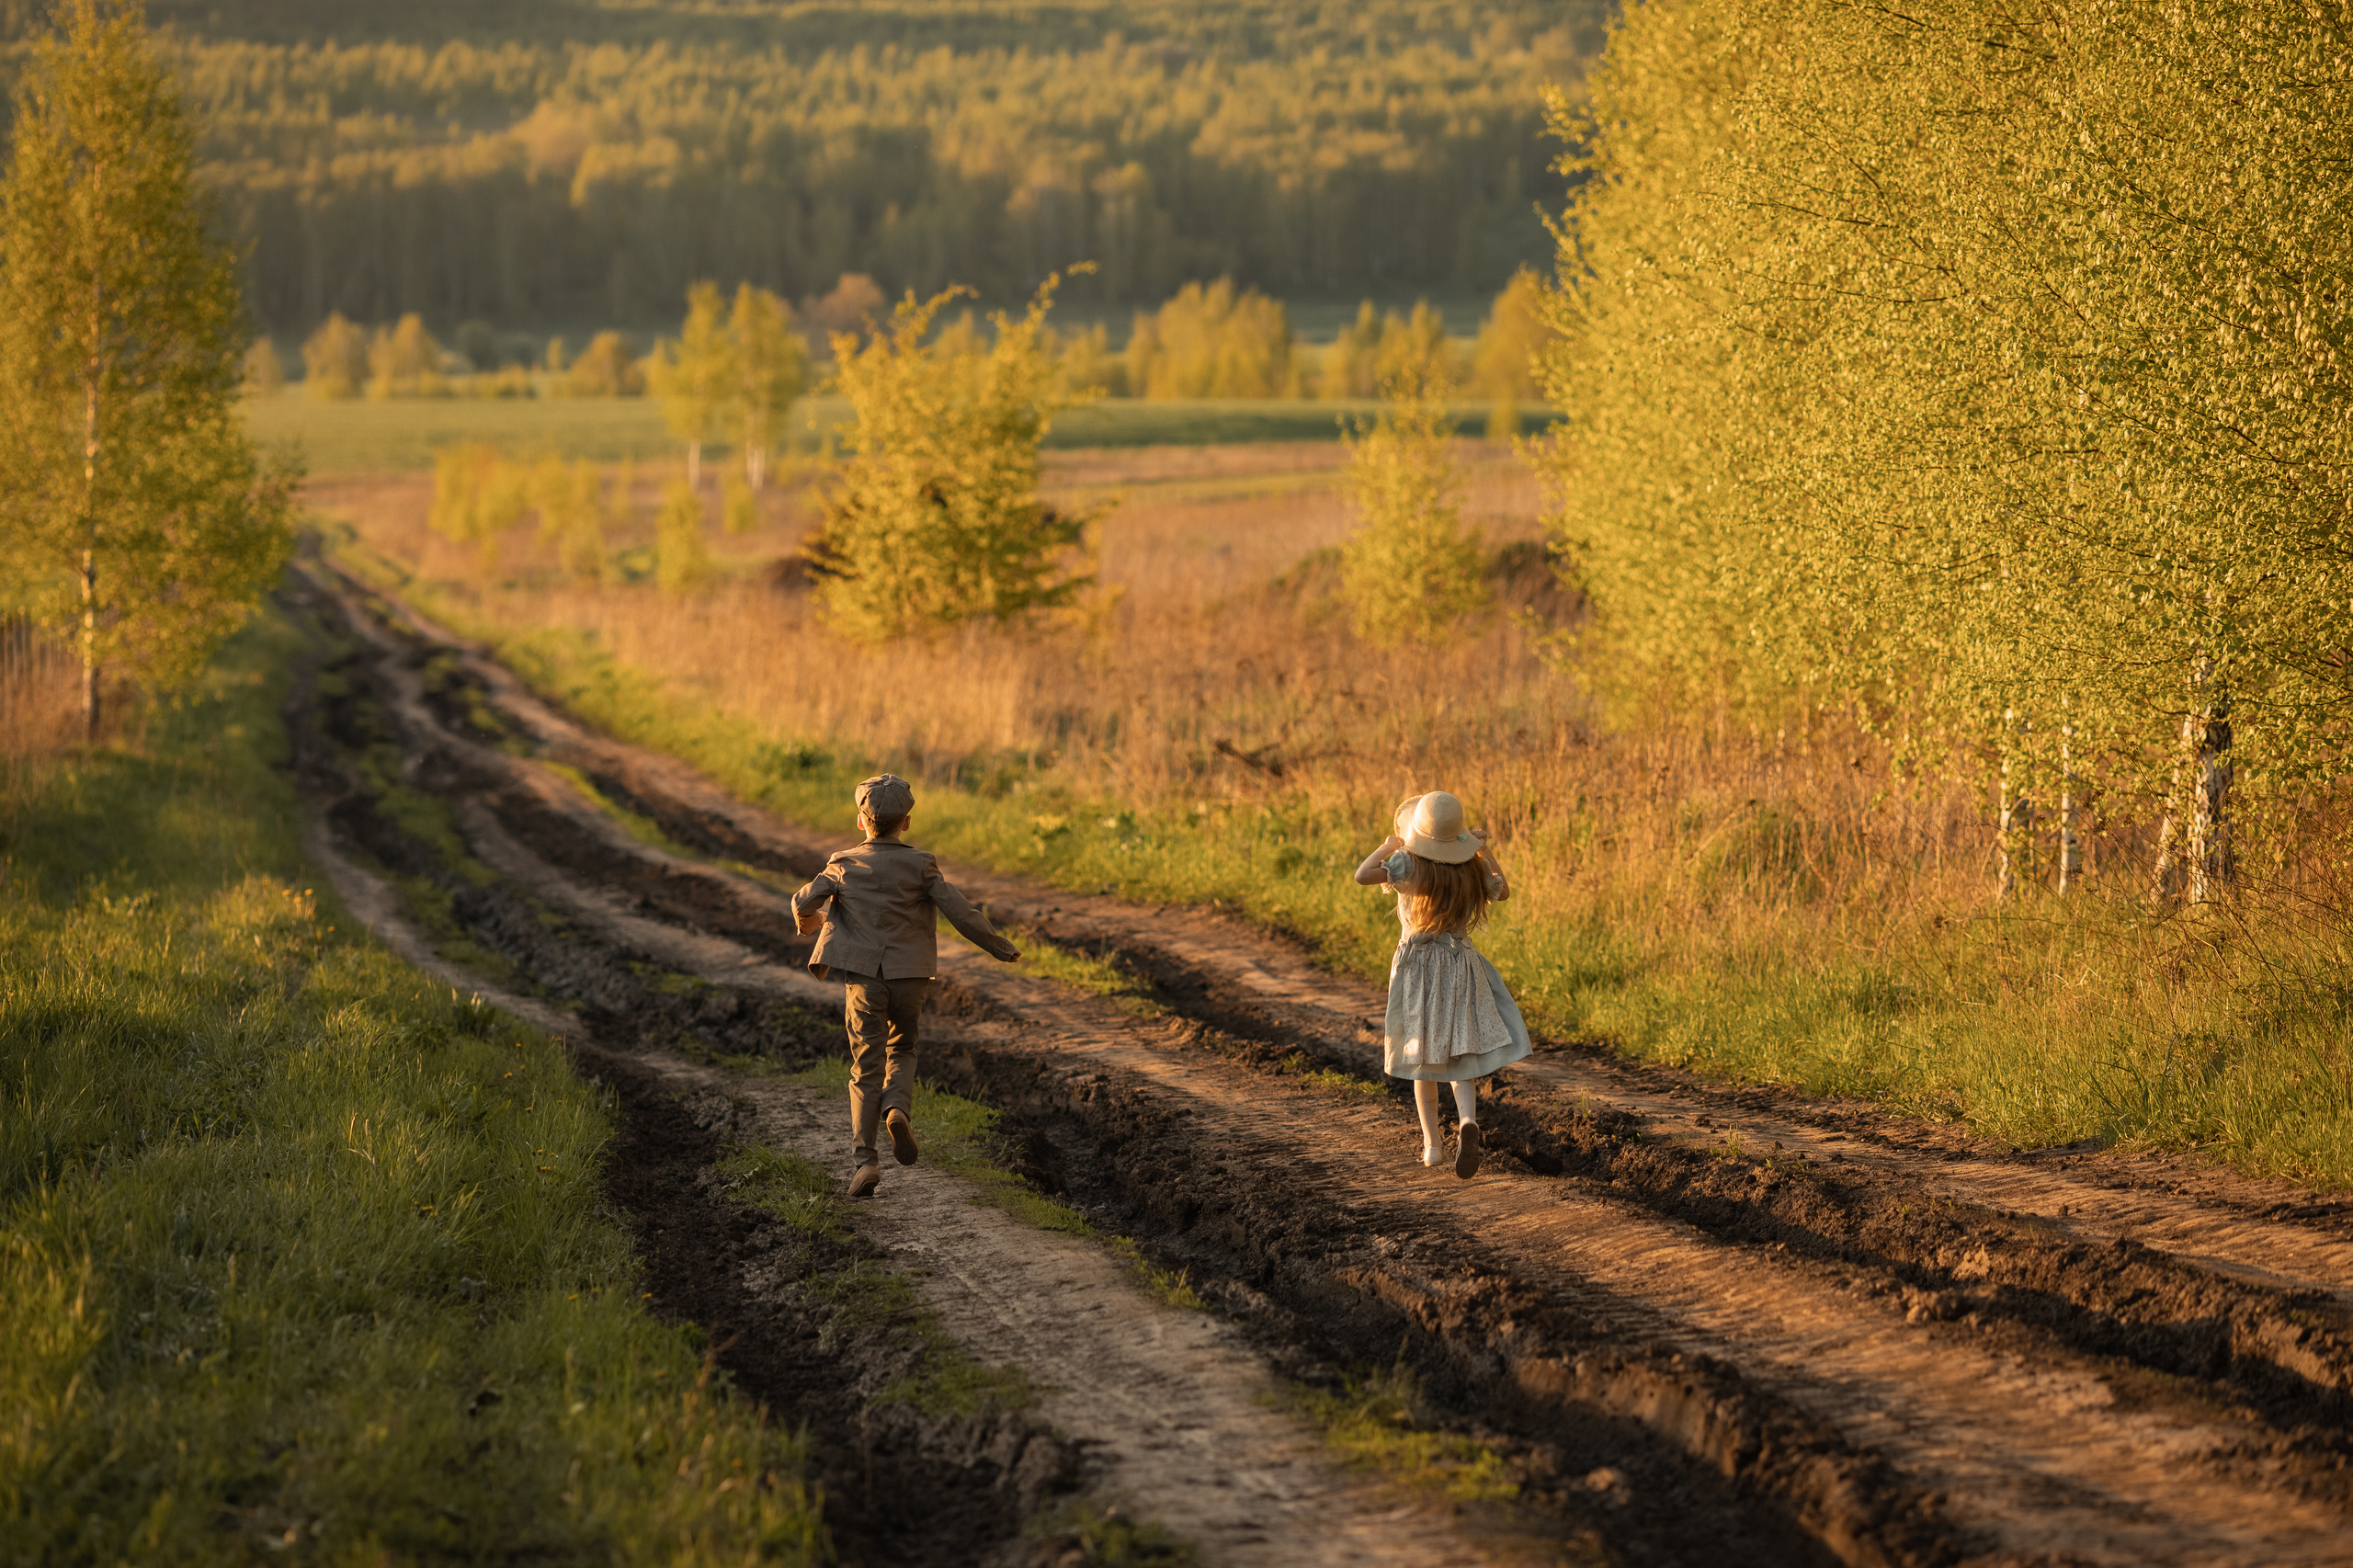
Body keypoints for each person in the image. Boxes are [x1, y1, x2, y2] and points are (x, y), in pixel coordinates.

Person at [790, 773, 1020, 1197]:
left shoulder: (842, 863)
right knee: (904, 1048)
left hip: (863, 981)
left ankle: (866, 1163)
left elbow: (804, 899)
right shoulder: (922, 864)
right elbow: (959, 910)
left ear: (861, 820)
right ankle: (897, 1108)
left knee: (865, 1067)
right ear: (907, 822)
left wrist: (810, 925)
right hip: (911, 976)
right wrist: (999, 946)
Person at [1352, 790, 1529, 1177]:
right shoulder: (1471, 870)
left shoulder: (1406, 866)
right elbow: (1505, 889)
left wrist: (1385, 847)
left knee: (1422, 1056)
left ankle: (1433, 1145)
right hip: (1459, 965)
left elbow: (1362, 875)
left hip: (1418, 969)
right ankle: (1467, 1120)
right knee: (1459, 1052)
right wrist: (1482, 851)